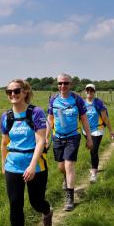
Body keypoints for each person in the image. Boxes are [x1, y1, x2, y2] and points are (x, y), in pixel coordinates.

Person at [0, 79, 53, 226]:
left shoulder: (35, 112)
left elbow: (40, 141)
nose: (12, 95)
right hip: (13, 165)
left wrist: (31, 165)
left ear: (24, 92)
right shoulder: (6, 116)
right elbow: (4, 143)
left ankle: (47, 212)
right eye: (9, 92)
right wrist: (3, 164)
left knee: (36, 201)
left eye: (16, 91)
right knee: (15, 204)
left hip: (35, 165)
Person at [47, 73, 93, 211]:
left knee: (69, 165)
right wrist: (46, 137)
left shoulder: (77, 99)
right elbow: (50, 119)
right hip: (57, 137)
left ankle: (70, 198)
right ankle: (66, 178)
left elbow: (84, 119)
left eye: (66, 83)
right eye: (60, 83)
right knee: (61, 167)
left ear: (70, 84)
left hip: (73, 136)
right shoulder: (53, 99)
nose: (63, 86)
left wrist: (89, 138)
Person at [83, 83, 114, 183]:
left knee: (93, 150)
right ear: (85, 91)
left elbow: (105, 118)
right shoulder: (82, 103)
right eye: (87, 90)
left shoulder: (98, 103)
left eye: (91, 90)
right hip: (86, 131)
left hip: (98, 130)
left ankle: (94, 173)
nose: (89, 92)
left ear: (94, 92)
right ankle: (95, 166)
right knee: (92, 150)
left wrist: (111, 130)